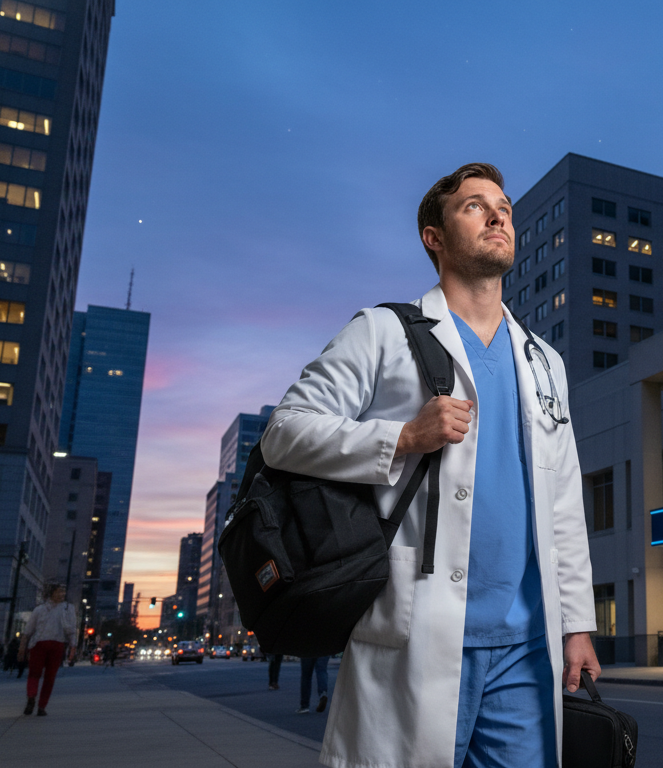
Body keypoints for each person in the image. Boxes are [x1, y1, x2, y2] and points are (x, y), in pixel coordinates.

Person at [262, 162, 598, 768]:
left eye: (504, 208)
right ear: (433, 237)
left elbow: (565, 502)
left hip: (525, 649)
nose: (497, 216)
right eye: (475, 206)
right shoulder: (382, 331)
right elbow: (283, 433)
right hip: (418, 632)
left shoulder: (544, 361)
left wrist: (576, 624)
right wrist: (403, 437)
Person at [19, 583, 77, 715]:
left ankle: (40, 705)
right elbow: (28, 630)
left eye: (63, 592)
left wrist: (73, 646)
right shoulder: (40, 610)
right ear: (51, 593)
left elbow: (72, 630)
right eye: (59, 591)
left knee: (48, 676)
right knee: (36, 673)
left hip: (56, 644)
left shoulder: (68, 608)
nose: (62, 594)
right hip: (40, 644)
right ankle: (33, 699)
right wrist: (22, 647)